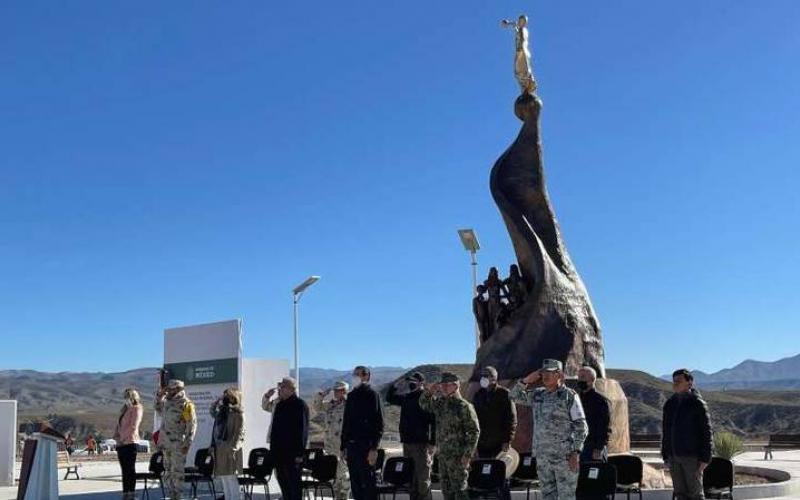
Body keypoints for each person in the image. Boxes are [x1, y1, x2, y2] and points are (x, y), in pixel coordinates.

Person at [511, 359, 588, 500]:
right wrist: (526, 380)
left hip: (564, 458)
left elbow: (581, 426)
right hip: (543, 458)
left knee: (567, 497)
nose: (545, 376)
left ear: (559, 375)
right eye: (543, 372)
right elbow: (513, 396)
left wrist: (576, 452)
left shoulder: (569, 396)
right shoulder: (538, 394)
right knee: (547, 497)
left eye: (550, 372)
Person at [418, 372, 480, 500]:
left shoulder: (464, 407)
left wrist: (468, 455)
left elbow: (474, 431)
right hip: (443, 457)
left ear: (456, 386)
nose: (444, 388)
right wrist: (430, 390)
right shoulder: (441, 404)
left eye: (447, 385)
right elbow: (424, 404)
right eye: (442, 385)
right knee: (447, 492)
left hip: (458, 457)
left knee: (460, 491)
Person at [661, 368, 713, 500]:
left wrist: (705, 458)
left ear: (689, 383)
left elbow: (707, 432)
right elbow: (666, 430)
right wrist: (665, 454)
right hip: (674, 457)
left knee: (695, 494)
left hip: (691, 458)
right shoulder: (670, 404)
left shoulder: (697, 404)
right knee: (680, 494)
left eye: (679, 380)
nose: (675, 383)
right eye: (674, 381)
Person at [386, 372, 436, 500]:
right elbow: (390, 398)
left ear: (421, 383)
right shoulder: (407, 397)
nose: (411, 384)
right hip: (407, 443)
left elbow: (434, 422)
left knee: (422, 480)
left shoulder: (426, 399)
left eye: (414, 381)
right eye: (410, 381)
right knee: (411, 479)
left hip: (421, 445)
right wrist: (396, 384)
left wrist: (432, 443)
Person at [473, 366, 516, 500]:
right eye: (482, 375)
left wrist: (507, 440)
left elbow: (511, 419)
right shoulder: (478, 395)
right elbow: (474, 420)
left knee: (501, 478)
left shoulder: (504, 394)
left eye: (487, 375)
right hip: (483, 444)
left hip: (499, 444)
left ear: (494, 378)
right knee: (486, 477)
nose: (483, 377)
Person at [341, 366, 384, 500]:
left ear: (366, 376)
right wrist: (343, 446)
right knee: (355, 484)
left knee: (368, 484)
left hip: (366, 447)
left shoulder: (372, 395)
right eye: (354, 375)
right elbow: (346, 422)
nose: (355, 378)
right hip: (352, 447)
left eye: (358, 375)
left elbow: (379, 423)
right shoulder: (351, 396)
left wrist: (374, 448)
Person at [263, 377, 309, 500]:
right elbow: (275, 431)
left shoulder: (300, 405)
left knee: (294, 486)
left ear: (291, 389)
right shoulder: (279, 405)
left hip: (293, 454)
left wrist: (299, 453)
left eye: (282, 387)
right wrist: (273, 452)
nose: (280, 390)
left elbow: (302, 431)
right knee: (283, 484)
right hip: (279, 453)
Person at [155, 379, 197, 500]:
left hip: (178, 443)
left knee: (177, 472)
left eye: (172, 389)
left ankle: (178, 496)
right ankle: (171, 495)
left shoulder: (186, 404)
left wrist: (188, 443)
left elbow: (192, 424)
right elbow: (157, 408)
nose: (170, 391)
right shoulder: (167, 401)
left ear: (179, 389)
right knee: (167, 471)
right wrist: (160, 395)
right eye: (169, 389)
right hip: (166, 443)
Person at [312, 381, 350, 500]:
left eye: (339, 390)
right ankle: (336, 497)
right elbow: (317, 407)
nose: (336, 392)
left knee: (344, 476)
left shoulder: (349, 406)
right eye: (335, 390)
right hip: (330, 446)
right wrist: (321, 395)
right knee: (334, 476)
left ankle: (343, 497)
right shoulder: (331, 405)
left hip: (343, 446)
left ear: (344, 391)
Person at [211, 387, 245, 500]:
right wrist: (216, 402)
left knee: (231, 477)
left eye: (227, 396)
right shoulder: (222, 412)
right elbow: (212, 412)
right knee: (224, 478)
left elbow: (239, 433)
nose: (225, 398)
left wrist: (233, 448)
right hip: (220, 449)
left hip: (230, 449)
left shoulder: (238, 414)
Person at [114, 388, 144, 500]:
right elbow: (119, 425)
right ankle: (125, 493)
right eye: (125, 396)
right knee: (124, 469)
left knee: (130, 469)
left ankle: (131, 493)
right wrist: (116, 436)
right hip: (121, 443)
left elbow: (133, 426)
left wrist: (123, 438)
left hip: (130, 442)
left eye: (128, 396)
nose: (126, 399)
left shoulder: (137, 408)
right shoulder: (125, 409)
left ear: (133, 397)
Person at [577, 366, 611, 463]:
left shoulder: (600, 401)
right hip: (577, 447)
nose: (580, 380)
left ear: (592, 380)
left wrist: (599, 448)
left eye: (583, 377)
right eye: (579, 377)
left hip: (592, 449)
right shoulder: (576, 400)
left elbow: (604, 426)